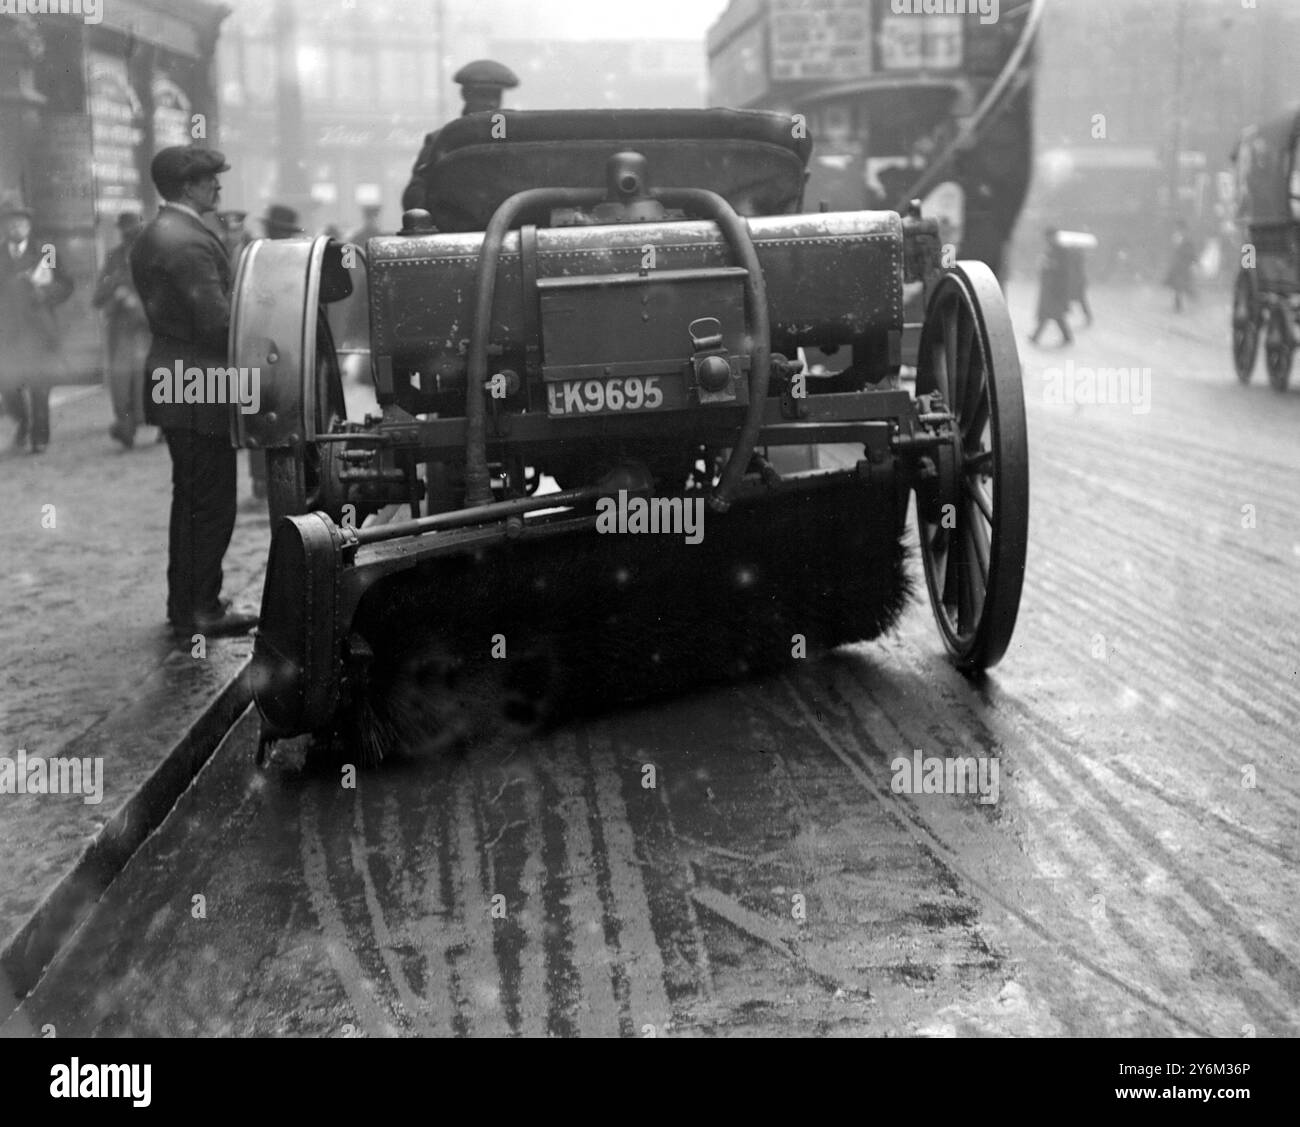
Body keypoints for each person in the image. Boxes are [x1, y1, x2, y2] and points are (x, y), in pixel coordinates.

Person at [130, 145, 256, 639]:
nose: (218, 188)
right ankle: (201, 609)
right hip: (199, 384)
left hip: (177, 379)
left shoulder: (157, 233)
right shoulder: (188, 242)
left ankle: (187, 601)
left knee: (190, 499)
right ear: (188, 187)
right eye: (210, 181)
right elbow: (216, 322)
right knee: (211, 501)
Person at [0, 194, 74, 454]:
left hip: (40, 331)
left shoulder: (46, 251)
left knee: (40, 388)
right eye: (9, 223)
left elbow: (65, 284)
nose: (14, 227)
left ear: (28, 225)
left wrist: (46, 293)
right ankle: (22, 422)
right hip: (8, 335)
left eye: (19, 222)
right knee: (8, 388)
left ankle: (39, 437)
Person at [401, 59, 520, 213]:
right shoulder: (442, 140)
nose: (491, 103)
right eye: (483, 95)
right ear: (466, 95)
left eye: (496, 96)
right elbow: (415, 197)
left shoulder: (512, 137)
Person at [243, 204, 303, 501]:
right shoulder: (257, 259)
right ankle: (263, 478)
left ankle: (274, 476)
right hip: (261, 347)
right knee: (261, 411)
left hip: (280, 348)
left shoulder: (277, 260)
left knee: (278, 410)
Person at [92, 212, 152, 448]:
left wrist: (136, 303)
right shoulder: (114, 257)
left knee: (146, 380)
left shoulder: (155, 255)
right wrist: (115, 291)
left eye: (135, 230)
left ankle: (160, 424)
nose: (131, 235)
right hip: (122, 331)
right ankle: (126, 426)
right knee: (121, 380)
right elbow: (98, 296)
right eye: (126, 230)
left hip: (148, 329)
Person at [1028, 227, 1073, 347]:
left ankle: (1036, 336)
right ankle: (1066, 336)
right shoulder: (1052, 249)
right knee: (1053, 314)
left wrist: (1049, 265)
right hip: (1050, 287)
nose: (1047, 239)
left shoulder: (1060, 251)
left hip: (1055, 288)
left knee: (1052, 313)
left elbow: (1063, 269)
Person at [1165, 219, 1199, 313]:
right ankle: (1179, 304)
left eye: (1178, 227)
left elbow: (1191, 252)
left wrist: (1193, 261)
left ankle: (1188, 298)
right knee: (1178, 285)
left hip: (1183, 265)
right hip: (1178, 265)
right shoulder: (1177, 237)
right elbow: (1174, 250)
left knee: (1182, 284)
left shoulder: (1187, 238)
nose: (1177, 229)